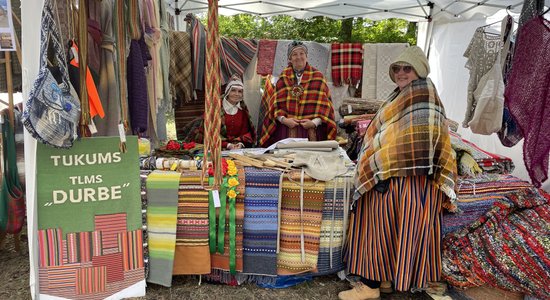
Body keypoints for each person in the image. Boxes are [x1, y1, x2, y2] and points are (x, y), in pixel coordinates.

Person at [340, 46, 457, 300]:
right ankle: (384, 281)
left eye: (408, 68)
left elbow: (416, 139)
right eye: (397, 68)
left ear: (419, 70)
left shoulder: (422, 95)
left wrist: (381, 167)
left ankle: (369, 286)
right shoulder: (404, 93)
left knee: (377, 226)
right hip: (400, 176)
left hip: (406, 178)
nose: (402, 73)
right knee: (392, 229)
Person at [259, 41, 337, 146]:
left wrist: (314, 123)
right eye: (294, 54)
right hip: (286, 129)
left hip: (311, 130)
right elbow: (275, 106)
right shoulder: (283, 77)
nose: (298, 57)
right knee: (286, 159)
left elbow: (326, 108)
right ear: (290, 59)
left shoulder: (318, 77)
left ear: (306, 56)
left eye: (302, 53)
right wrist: (284, 120)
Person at [192, 75, 256, 149]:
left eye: (240, 91)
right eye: (233, 90)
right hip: (215, 146)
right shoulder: (215, 108)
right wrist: (227, 145)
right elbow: (209, 132)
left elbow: (245, 133)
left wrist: (240, 143)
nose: (237, 94)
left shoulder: (243, 111)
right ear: (227, 91)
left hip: (236, 148)